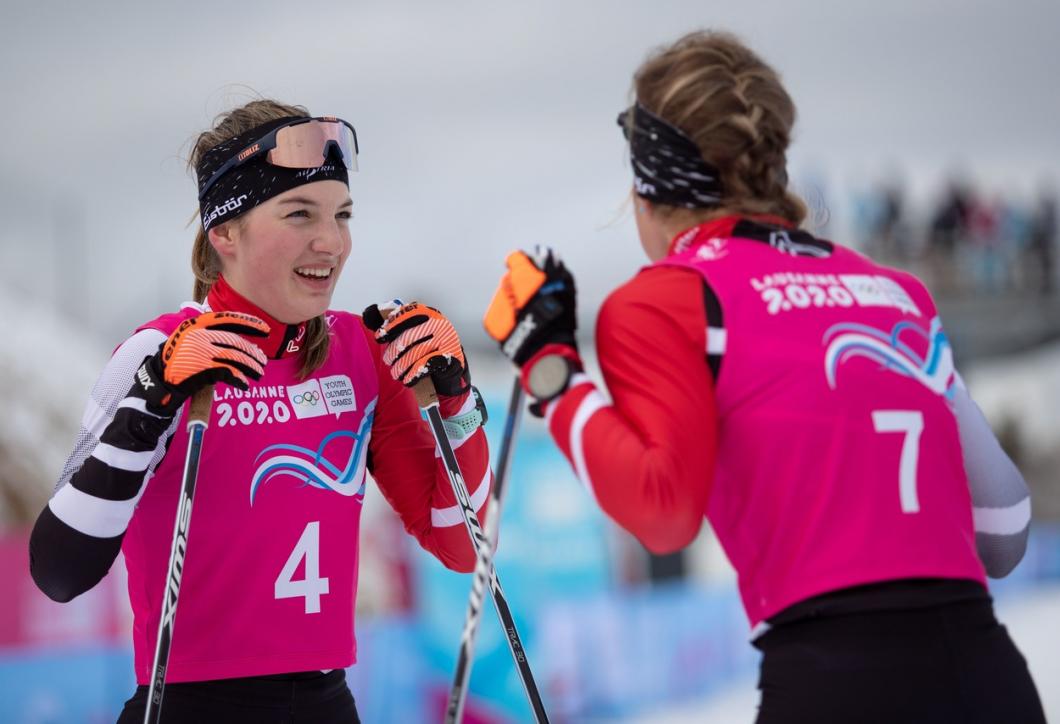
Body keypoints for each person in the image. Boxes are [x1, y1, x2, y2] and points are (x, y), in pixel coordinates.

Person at [484, 31, 1044, 723]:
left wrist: (553, 374)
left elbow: (663, 514)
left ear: (647, 189)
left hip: (834, 681)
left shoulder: (661, 300)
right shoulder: (897, 293)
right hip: (985, 671)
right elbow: (1005, 527)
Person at [28, 99, 492, 723]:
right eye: (299, 214)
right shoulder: (160, 353)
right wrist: (151, 401)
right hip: (191, 707)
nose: (331, 242)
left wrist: (458, 402)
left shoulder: (362, 353)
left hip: (327, 705)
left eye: (342, 215)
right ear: (225, 232)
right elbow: (59, 572)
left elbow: (463, 548)